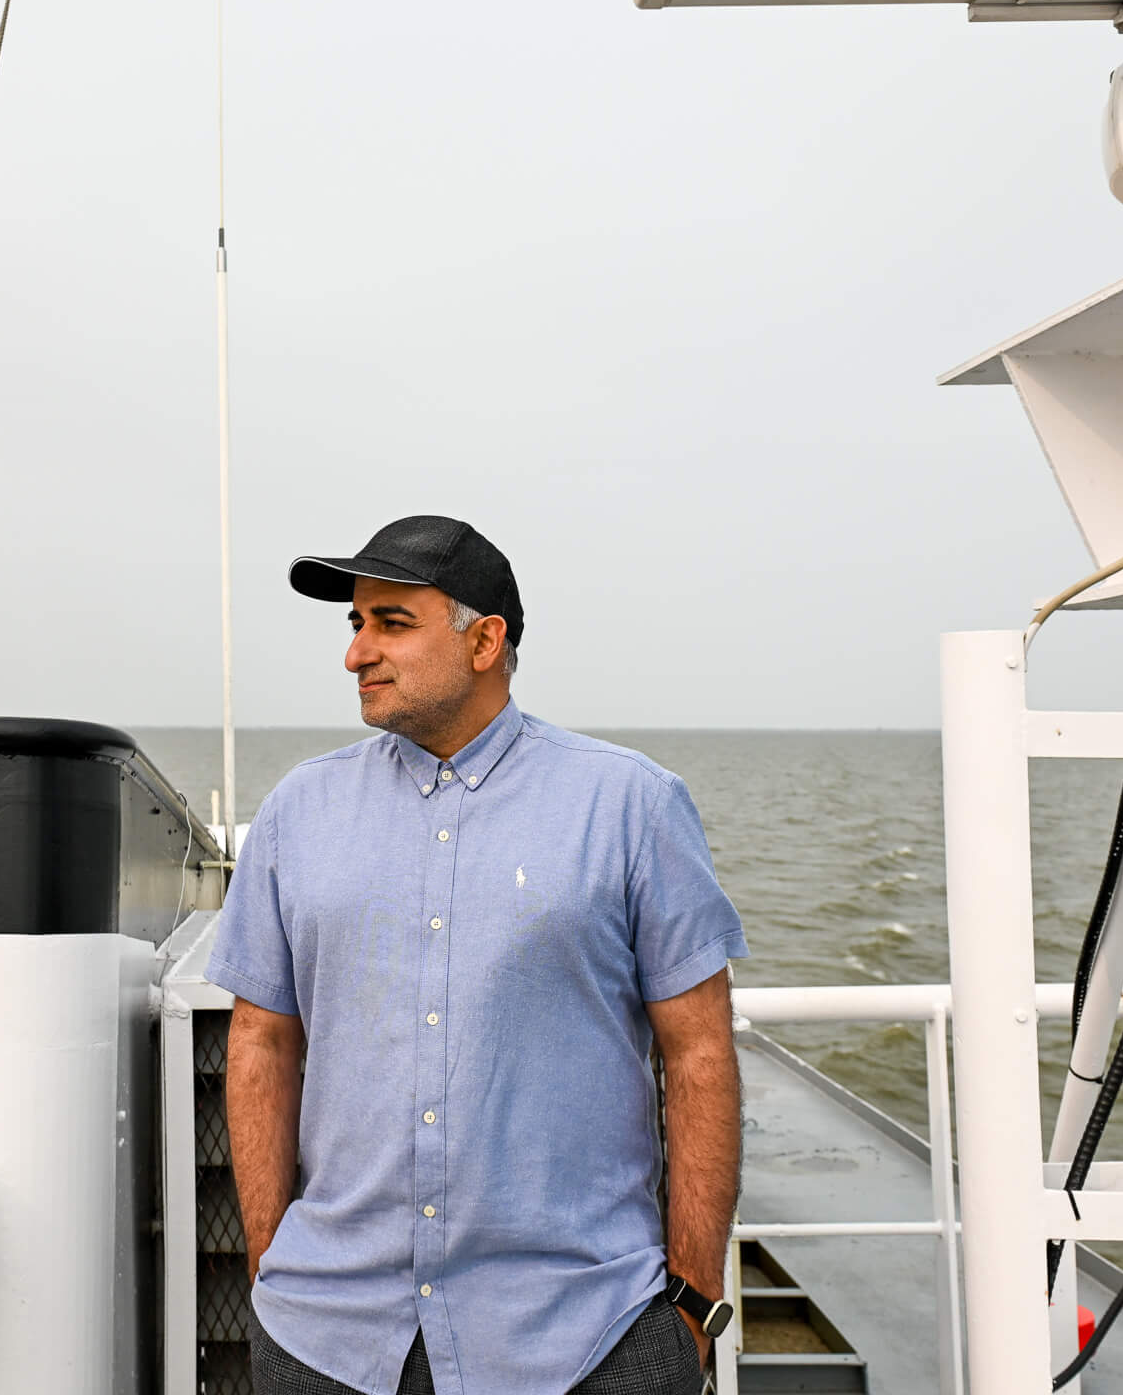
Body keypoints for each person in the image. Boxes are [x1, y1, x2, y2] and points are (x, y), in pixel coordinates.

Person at [208, 515, 747, 1395]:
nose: (356, 654)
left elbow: (699, 1051)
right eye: (355, 624)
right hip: (325, 1339)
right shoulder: (298, 812)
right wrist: (274, 1263)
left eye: (391, 623)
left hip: (586, 1338)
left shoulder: (631, 806)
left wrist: (688, 1303)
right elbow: (260, 1040)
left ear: (485, 640)